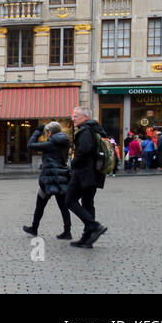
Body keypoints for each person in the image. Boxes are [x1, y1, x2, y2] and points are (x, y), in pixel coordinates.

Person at [65, 106, 109, 247]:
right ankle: (87, 238)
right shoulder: (96, 129)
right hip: (95, 173)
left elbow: (83, 151)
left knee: (70, 200)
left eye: (76, 116)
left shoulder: (85, 131)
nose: (73, 118)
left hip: (83, 172)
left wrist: (73, 164)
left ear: (85, 117)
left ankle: (94, 226)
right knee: (88, 203)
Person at [22, 122, 73, 239]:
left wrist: (37, 131)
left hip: (50, 178)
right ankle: (67, 231)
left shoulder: (50, 143)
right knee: (63, 206)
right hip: (62, 176)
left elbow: (30, 145)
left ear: (50, 132)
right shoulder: (65, 141)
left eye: (46, 133)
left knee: (40, 203)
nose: (46, 135)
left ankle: (34, 228)